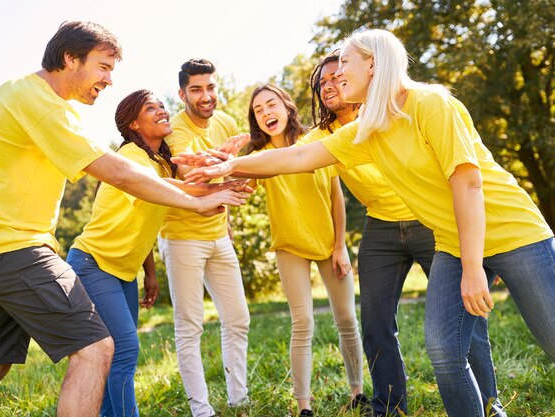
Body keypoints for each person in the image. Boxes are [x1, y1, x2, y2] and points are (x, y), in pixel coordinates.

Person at [177, 29, 555, 417]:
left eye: (345, 63)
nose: (337, 74)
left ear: (372, 64)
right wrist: (230, 165)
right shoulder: (366, 129)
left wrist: (473, 268)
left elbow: (468, 182)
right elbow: (295, 158)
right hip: (454, 242)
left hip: (513, 233)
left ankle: (493, 403)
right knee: (443, 350)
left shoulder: (430, 104)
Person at [0, 22, 248, 417]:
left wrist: (205, 190)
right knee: (97, 348)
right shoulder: (42, 104)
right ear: (71, 58)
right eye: (103, 67)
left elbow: (155, 182)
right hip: (14, 249)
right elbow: (120, 173)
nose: (109, 79)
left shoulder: (18, 92)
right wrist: (198, 203)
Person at [302, 52, 503, 416]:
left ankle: (489, 402)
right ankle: (389, 407)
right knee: (376, 322)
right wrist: (234, 162)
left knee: (465, 317)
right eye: (322, 82)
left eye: (337, 76)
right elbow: (284, 157)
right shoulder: (325, 135)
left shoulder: (386, 111)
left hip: (429, 221)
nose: (329, 85)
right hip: (380, 228)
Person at [65, 90, 253, 417]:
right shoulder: (130, 158)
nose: (162, 111)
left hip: (123, 272)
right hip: (92, 264)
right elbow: (172, 190)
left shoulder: (159, 165)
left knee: (112, 356)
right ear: (133, 123)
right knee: (124, 350)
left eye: (162, 106)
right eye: (150, 108)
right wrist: (211, 192)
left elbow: (146, 217)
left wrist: (149, 273)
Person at [246, 85, 364, 417]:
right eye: (258, 110)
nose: (267, 113)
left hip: (329, 244)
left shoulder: (316, 142)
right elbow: (238, 182)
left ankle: (357, 392)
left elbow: (335, 196)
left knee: (347, 320)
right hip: (290, 246)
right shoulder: (261, 156)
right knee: (303, 322)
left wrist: (340, 246)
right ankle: (304, 406)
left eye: (271, 104)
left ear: (286, 106)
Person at [158, 58, 251, 417]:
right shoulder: (176, 129)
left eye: (210, 87)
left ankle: (238, 399)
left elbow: (238, 174)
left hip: (218, 236)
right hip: (182, 237)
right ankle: (201, 410)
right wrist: (224, 159)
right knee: (189, 325)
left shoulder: (226, 122)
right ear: (182, 93)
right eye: (196, 89)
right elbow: (188, 175)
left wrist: (231, 163)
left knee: (238, 318)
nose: (206, 95)